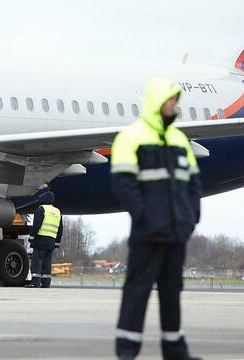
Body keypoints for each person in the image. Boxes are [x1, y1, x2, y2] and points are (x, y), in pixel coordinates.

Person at [110, 78, 202, 360]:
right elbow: (124, 185)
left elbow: (193, 185)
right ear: (157, 101)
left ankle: (175, 350)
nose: (174, 104)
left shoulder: (178, 139)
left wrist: (190, 219)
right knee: (137, 291)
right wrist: (145, 218)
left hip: (176, 232)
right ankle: (127, 351)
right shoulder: (131, 136)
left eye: (176, 99)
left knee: (172, 292)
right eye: (170, 99)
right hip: (148, 233)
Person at [28, 191, 63, 288]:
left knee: (37, 262)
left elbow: (36, 225)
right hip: (51, 242)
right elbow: (60, 229)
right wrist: (57, 243)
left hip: (40, 240)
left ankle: (35, 283)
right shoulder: (57, 212)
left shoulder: (41, 209)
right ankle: (46, 283)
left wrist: (31, 237)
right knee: (47, 263)